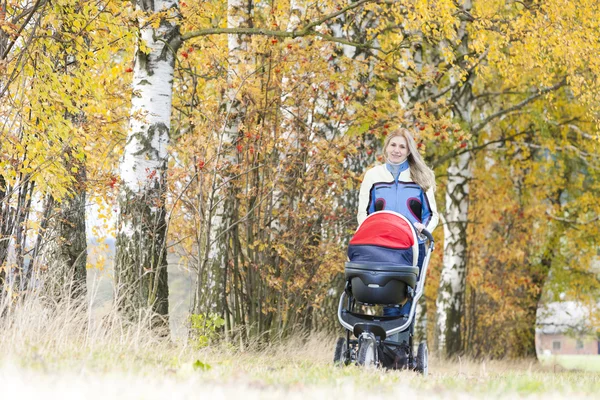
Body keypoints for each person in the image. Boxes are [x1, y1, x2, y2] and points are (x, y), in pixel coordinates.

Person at [357, 127, 438, 317]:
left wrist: (423, 230)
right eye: (393, 145)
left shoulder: (420, 177)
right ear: (386, 148)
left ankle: (402, 337)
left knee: (409, 295)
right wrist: (368, 233)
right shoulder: (373, 176)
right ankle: (385, 335)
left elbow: (433, 214)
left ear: (409, 151)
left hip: (412, 247)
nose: (396, 150)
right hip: (380, 246)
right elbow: (363, 213)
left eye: (402, 146)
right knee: (387, 294)